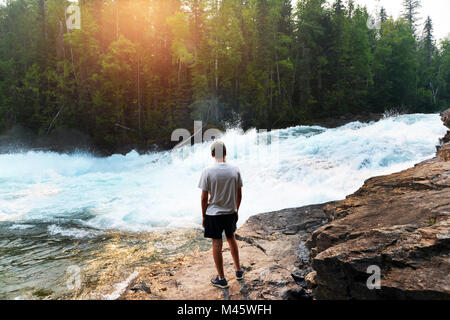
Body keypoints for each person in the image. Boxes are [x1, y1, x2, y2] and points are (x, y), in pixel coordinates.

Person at [198, 141, 244, 289]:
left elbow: (204, 197)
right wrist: (236, 209)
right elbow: (239, 194)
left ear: (212, 154)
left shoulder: (207, 171)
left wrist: (204, 216)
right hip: (230, 212)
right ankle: (238, 271)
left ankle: (222, 279)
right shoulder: (235, 170)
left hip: (214, 214)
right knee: (231, 238)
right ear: (225, 153)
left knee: (217, 243)